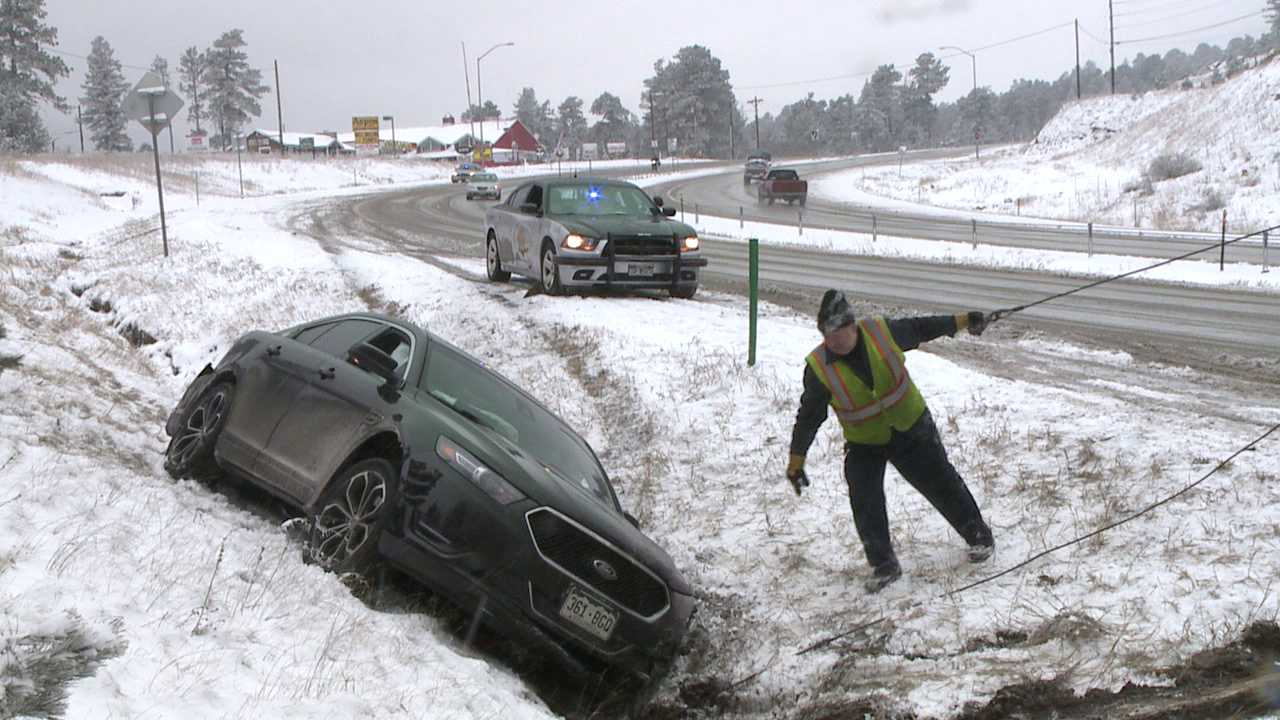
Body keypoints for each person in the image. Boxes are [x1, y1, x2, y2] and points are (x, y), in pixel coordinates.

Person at [786, 290, 996, 593]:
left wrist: (963, 321)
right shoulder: (819, 368)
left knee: (939, 481)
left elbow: (923, 328)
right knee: (864, 498)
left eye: (838, 333)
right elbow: (809, 416)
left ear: (851, 326)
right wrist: (797, 458)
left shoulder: (881, 333)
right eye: (827, 335)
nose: (833, 341)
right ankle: (884, 566)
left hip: (910, 425)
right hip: (864, 442)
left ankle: (979, 536)